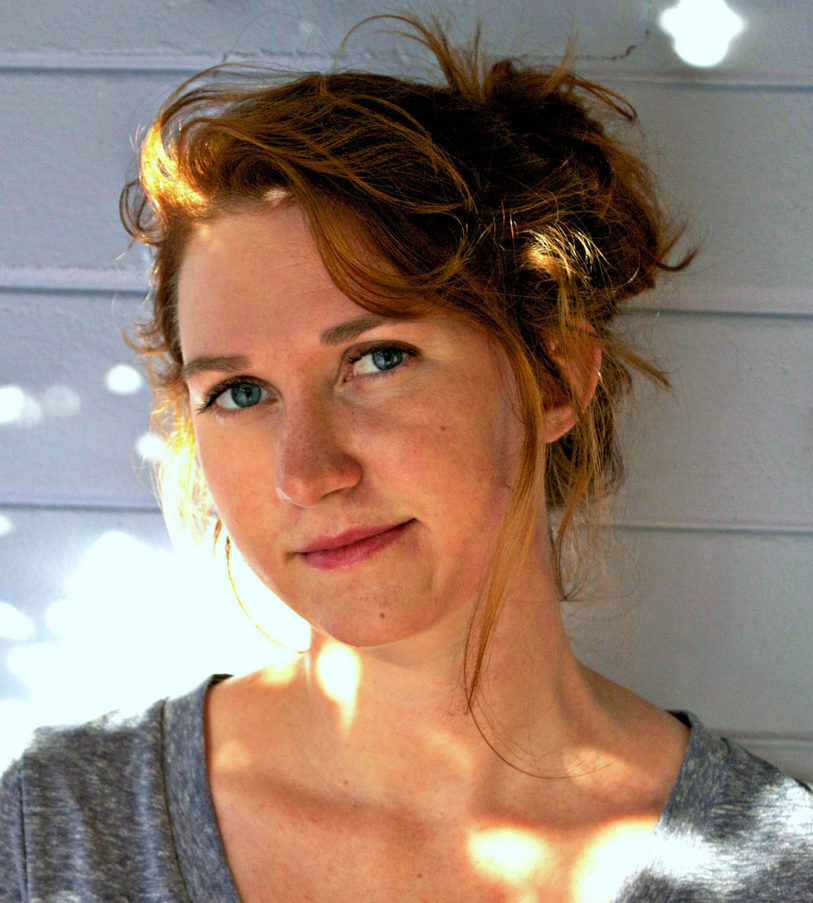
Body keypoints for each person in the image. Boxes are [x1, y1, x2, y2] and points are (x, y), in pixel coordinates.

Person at [1, 15, 810, 903]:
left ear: (551, 377)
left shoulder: (772, 871)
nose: (307, 473)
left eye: (377, 358)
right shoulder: (55, 828)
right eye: (239, 392)